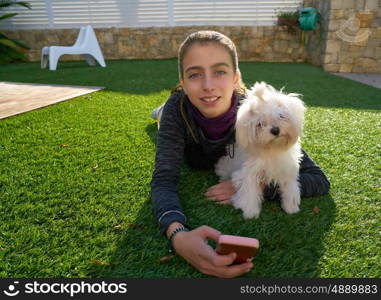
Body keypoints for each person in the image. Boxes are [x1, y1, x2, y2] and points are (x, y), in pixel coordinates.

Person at [151, 31, 330, 278]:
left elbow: (318, 180)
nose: (208, 85)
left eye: (220, 71)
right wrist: (177, 234)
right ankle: (158, 113)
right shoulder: (177, 109)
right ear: (182, 81)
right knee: (162, 119)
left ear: (236, 78)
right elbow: (164, 179)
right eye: (194, 75)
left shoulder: (256, 114)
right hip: (176, 120)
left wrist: (256, 186)